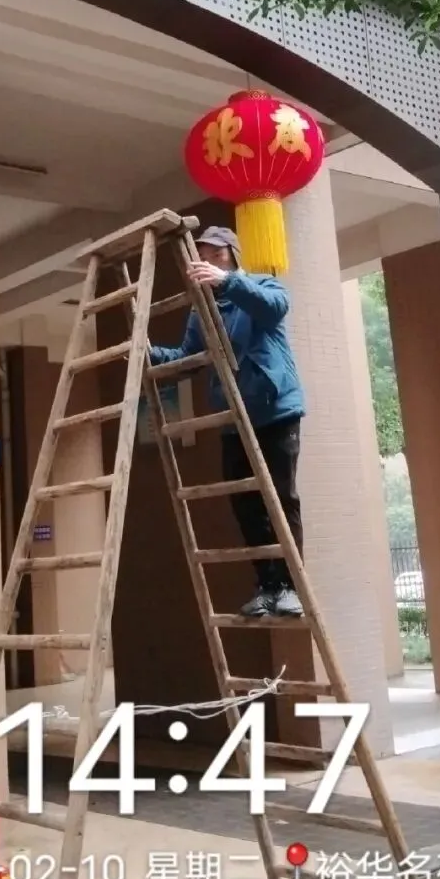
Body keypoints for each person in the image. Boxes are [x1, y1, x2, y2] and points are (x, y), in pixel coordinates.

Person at [148, 225, 305, 618]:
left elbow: (274, 308)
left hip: (275, 410)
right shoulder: (202, 310)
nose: (209, 261)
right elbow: (187, 358)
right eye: (203, 256)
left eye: (217, 254)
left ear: (233, 255)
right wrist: (147, 353)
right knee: (246, 504)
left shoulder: (261, 285)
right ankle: (267, 585)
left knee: (280, 499)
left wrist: (228, 282)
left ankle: (291, 586)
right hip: (234, 416)